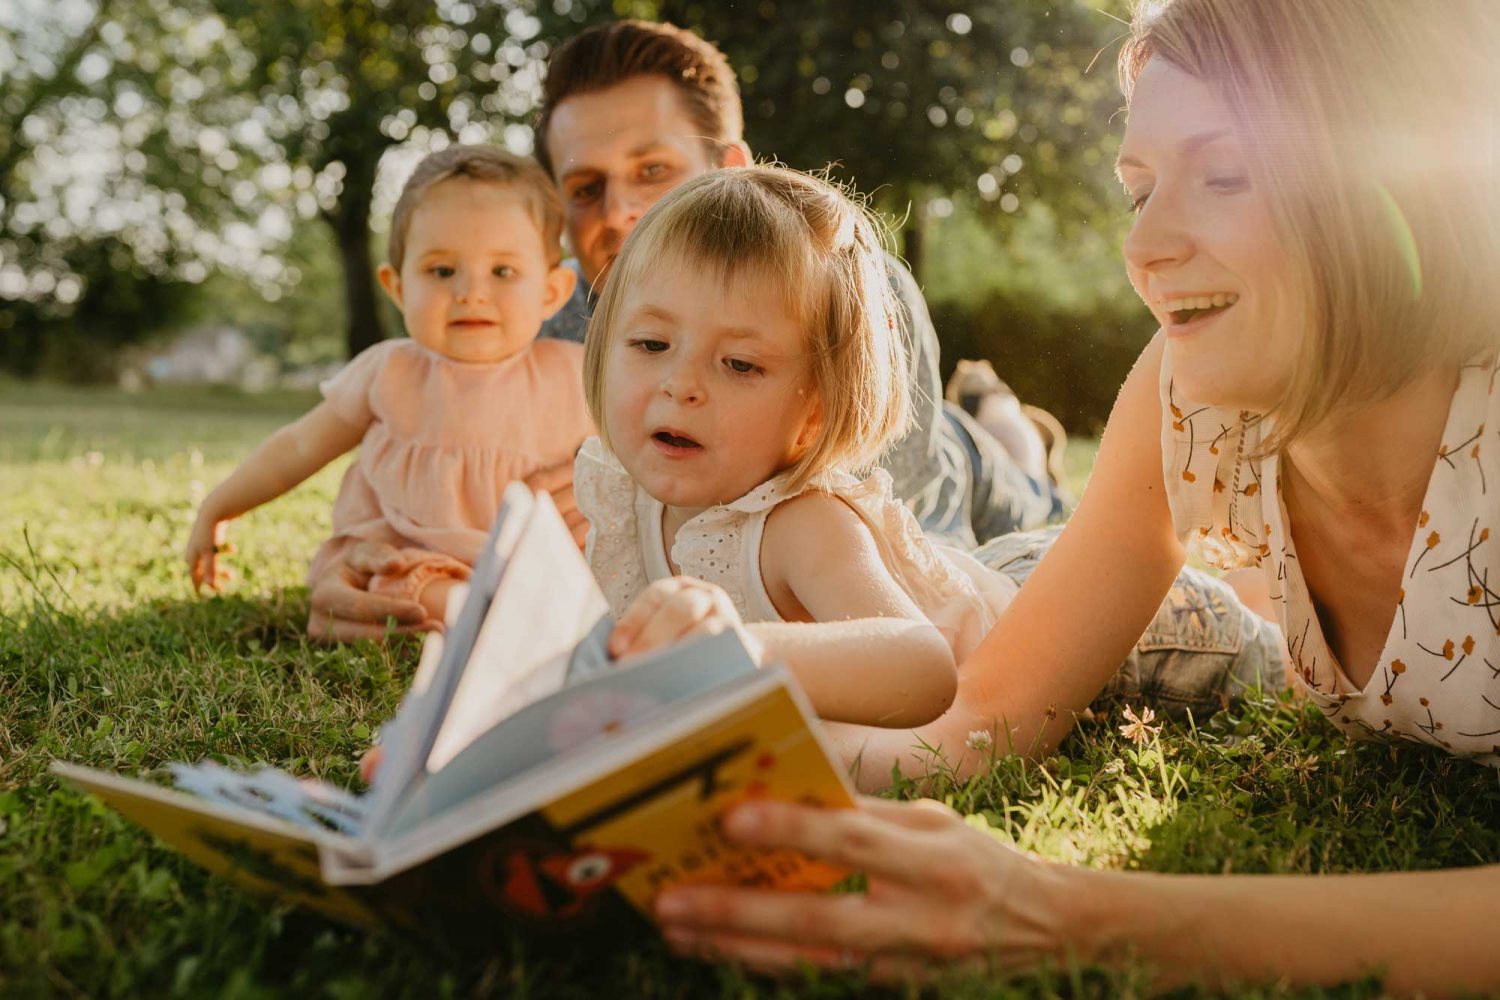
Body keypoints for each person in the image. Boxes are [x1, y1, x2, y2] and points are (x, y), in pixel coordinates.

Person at [648, 0, 1500, 991]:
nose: (1145, 248)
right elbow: (983, 724)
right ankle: (1008, 423)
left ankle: (1004, 423)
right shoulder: (1184, 400)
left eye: (1223, 175)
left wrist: (1062, 911)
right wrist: (700, 751)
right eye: (1140, 190)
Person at [304, 22, 1281, 738]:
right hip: (909, 570)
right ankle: (1004, 420)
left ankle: (1008, 430)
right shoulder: (584, 342)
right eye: (586, 189)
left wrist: (731, 650)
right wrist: (384, 580)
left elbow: (912, 657)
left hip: (1010, 570)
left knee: (1246, 638)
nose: (678, 384)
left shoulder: (832, 300)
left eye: (653, 171)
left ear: (732, 170)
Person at [578, 165, 1025, 728]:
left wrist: (745, 651)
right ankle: (1002, 420)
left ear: (814, 413)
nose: (680, 383)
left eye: (739, 364)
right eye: (651, 343)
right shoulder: (624, 499)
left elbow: (924, 666)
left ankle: (1003, 418)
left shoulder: (803, 526)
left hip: (1037, 609)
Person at [187, 146, 592, 627]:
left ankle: (525, 617)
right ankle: (478, 620)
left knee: (591, 569)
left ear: (551, 291)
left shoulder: (580, 375)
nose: (471, 292)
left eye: (502, 271)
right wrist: (217, 507)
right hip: (409, 553)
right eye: (442, 271)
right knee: (400, 580)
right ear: (398, 287)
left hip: (534, 561)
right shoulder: (389, 372)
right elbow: (298, 446)